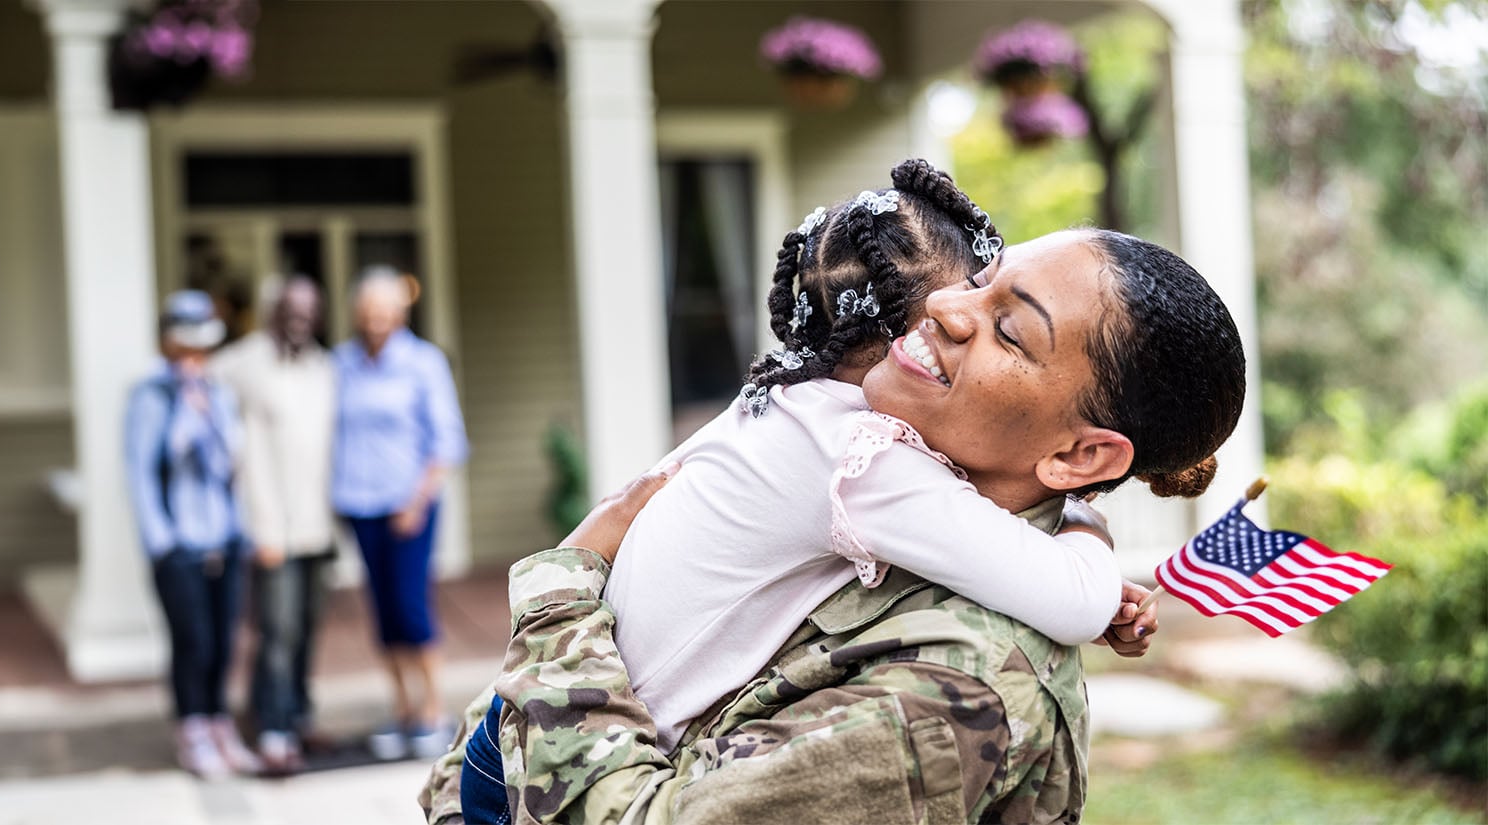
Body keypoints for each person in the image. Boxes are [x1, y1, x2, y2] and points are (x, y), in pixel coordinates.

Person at [424, 223, 1244, 824]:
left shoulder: (962, 681)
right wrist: (1084, 532)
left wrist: (563, 593)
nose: (945, 306)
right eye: (982, 276)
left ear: (1082, 455)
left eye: (1008, 328)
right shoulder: (872, 465)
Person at [334, 267, 469, 760]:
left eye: (385, 310)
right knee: (384, 613)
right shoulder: (342, 364)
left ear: (401, 311)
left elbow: (448, 441)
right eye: (368, 310)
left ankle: (434, 711)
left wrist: (416, 502)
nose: (376, 319)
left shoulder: (422, 362)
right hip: (360, 506)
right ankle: (403, 710)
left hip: (409, 506)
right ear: (356, 313)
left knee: (412, 608)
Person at [126, 290, 259, 780]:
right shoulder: (150, 397)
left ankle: (220, 725)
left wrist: (210, 416)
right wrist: (161, 544)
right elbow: (141, 469)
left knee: (224, 643)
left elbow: (230, 463)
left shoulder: (219, 393)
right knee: (193, 642)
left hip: (223, 538)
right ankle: (193, 731)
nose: (195, 358)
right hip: (179, 545)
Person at [208, 276, 337, 774]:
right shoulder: (245, 362)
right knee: (277, 633)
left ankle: (299, 718)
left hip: (316, 526)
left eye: (308, 311)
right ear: (273, 313)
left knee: (305, 629)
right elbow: (200, 377)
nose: (299, 319)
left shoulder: (323, 367)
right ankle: (272, 730)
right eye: (290, 310)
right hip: (271, 530)